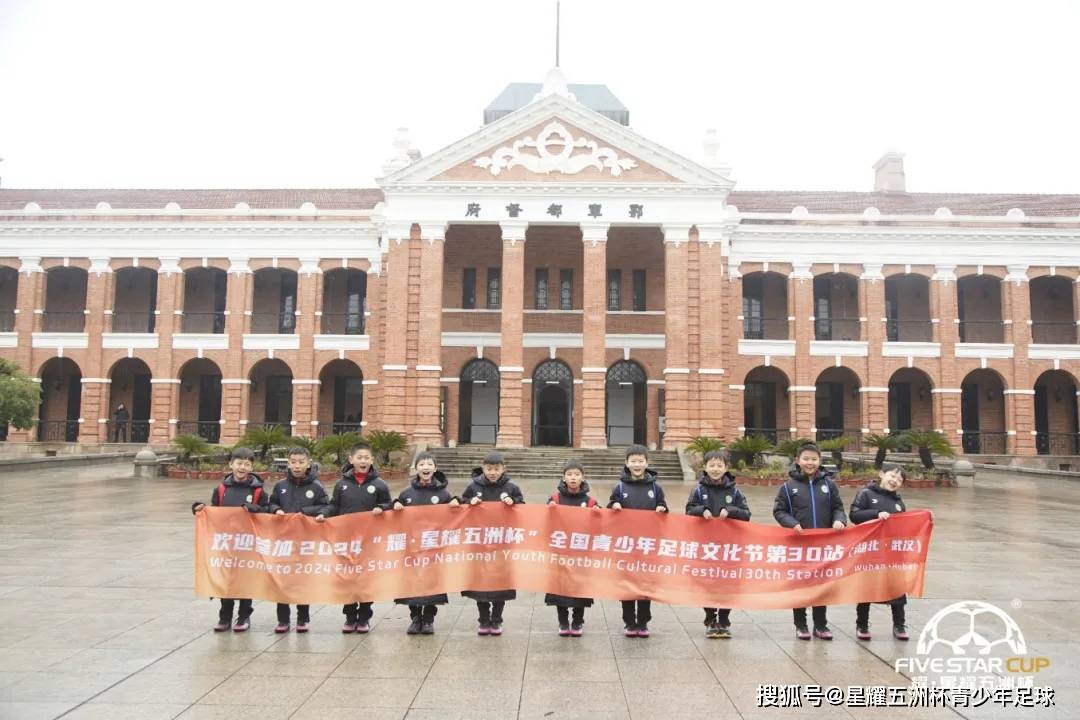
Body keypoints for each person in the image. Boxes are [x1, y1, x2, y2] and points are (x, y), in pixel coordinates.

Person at [315, 441, 392, 633]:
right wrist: (324, 514)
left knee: (366, 579)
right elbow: (334, 505)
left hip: (370, 541)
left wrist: (381, 508)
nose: (363, 461)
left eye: (367, 458)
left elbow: (388, 505)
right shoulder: (341, 485)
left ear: (372, 460)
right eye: (360, 457)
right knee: (348, 578)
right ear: (351, 459)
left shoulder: (380, 485)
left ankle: (364, 616)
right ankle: (350, 616)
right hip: (346, 540)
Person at [773, 442, 847, 640]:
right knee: (800, 585)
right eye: (806, 459)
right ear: (798, 461)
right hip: (798, 545)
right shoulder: (788, 487)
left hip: (823, 546)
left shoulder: (829, 485)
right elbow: (779, 511)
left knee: (821, 586)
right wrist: (792, 523)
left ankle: (820, 625)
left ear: (820, 461)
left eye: (814, 459)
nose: (810, 463)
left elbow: (838, 508)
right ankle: (801, 624)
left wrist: (839, 520)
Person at [191, 447, 269, 632]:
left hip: (248, 543)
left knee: (245, 580)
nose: (242, 467)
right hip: (226, 543)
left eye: (247, 464)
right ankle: (224, 616)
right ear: (231, 464)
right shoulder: (221, 489)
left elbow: (266, 512)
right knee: (226, 580)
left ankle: (244, 616)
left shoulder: (258, 491)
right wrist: (200, 509)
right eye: (239, 463)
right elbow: (214, 511)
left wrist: (255, 508)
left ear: (252, 467)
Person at [686, 449, 750, 639]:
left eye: (719, 465)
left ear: (726, 467)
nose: (715, 469)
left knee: (727, 584)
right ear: (705, 467)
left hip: (729, 547)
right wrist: (702, 510)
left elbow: (746, 514)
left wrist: (730, 510)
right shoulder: (698, 490)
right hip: (706, 547)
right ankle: (710, 617)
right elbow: (689, 510)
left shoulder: (735, 491)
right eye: (711, 465)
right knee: (707, 583)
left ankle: (723, 619)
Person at [392, 451, 459, 635]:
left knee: (432, 584)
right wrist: (395, 503)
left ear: (435, 468)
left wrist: (456, 501)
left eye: (429, 464)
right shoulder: (407, 493)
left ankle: (428, 619)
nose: (426, 467)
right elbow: (395, 513)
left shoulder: (443, 493)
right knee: (412, 582)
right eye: (422, 464)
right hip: (412, 548)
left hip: (434, 548)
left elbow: (455, 513)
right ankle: (415, 618)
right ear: (416, 468)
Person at [267, 446, 330, 633]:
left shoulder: (316, 486)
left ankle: (303, 618)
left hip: (305, 542)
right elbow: (271, 503)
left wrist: (306, 513)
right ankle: (283, 619)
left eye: (301, 462)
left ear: (308, 463)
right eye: (293, 462)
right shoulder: (280, 486)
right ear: (288, 463)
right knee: (282, 580)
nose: (297, 466)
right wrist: (275, 510)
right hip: (284, 542)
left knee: (303, 580)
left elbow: (326, 506)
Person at [460, 451, 524, 636]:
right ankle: (483, 619)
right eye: (489, 469)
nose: (493, 472)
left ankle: (496, 620)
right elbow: (462, 504)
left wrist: (514, 502)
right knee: (480, 585)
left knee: (499, 585)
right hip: (480, 544)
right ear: (483, 468)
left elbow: (522, 506)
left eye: (496, 469)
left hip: (502, 544)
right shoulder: (473, 486)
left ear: (503, 468)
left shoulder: (511, 487)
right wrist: (469, 502)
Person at [608, 443, 668, 638]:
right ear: (626, 463)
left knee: (644, 584)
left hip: (647, 546)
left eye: (640, 461)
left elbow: (663, 507)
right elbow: (610, 507)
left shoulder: (655, 488)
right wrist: (614, 504)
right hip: (626, 546)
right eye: (633, 461)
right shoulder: (620, 487)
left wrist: (661, 509)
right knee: (627, 584)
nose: (637, 464)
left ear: (647, 463)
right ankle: (629, 622)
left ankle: (643, 622)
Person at [850, 462, 910, 641]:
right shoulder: (866, 493)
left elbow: (904, 525)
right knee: (866, 589)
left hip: (891, 553)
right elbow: (854, 515)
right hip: (870, 551)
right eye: (892, 476)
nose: (895, 481)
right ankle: (862, 625)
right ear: (881, 474)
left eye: (899, 479)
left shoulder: (899, 503)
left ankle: (899, 625)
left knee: (897, 589)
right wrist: (876, 513)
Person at [544, 459, 600, 637]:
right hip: (560, 553)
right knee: (560, 588)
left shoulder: (591, 501)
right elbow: (545, 521)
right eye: (569, 474)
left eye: (577, 474)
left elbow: (600, 525)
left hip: (581, 554)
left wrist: (599, 512)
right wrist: (549, 510)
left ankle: (577, 622)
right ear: (564, 477)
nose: (573, 478)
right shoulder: (555, 499)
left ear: (583, 477)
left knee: (579, 589)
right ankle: (562, 621)